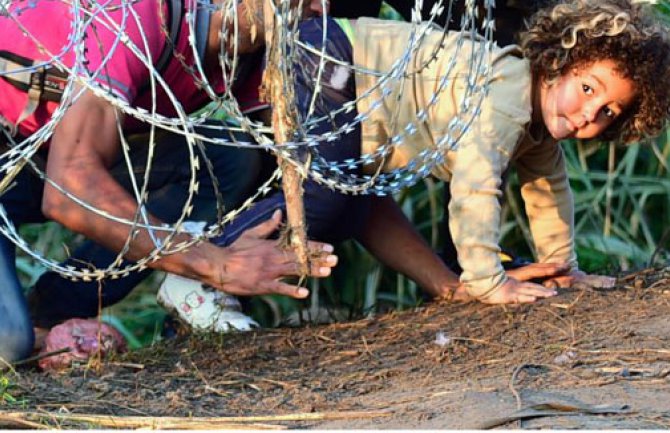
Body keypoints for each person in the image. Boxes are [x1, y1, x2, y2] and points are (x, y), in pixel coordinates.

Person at [199, 0, 670, 305]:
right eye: (587, 88)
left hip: (343, 73)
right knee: (322, 201)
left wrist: (565, 268)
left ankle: (206, 266)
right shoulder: (508, 96)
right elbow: (475, 185)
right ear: (557, 63)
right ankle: (198, 271)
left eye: (609, 110)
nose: (590, 113)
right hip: (333, 57)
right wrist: (488, 279)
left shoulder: (538, 127)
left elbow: (549, 191)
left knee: (341, 208)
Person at [0, 0, 337, 364]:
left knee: (229, 160)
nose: (322, 8)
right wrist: (215, 264)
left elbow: (323, 165)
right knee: (8, 343)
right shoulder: (130, 16)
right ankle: (27, 333)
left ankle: (48, 317)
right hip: (36, 161)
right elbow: (68, 190)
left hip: (34, 159)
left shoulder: (248, 55)